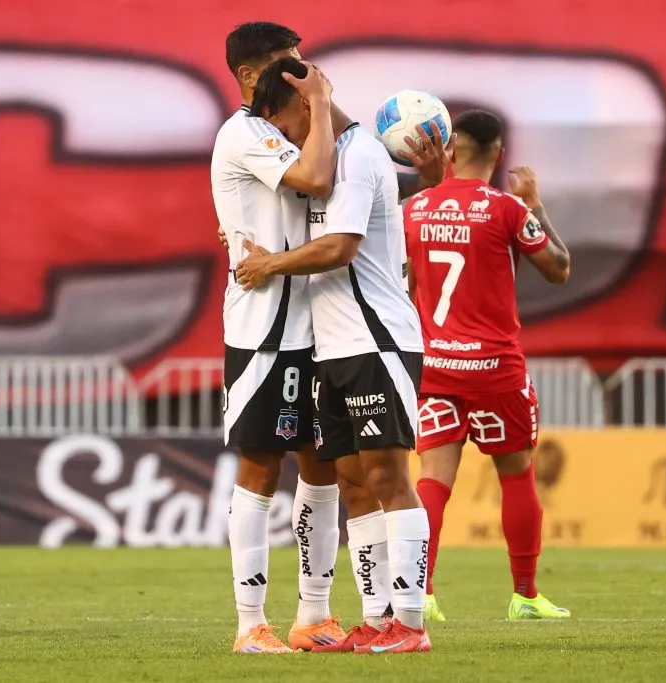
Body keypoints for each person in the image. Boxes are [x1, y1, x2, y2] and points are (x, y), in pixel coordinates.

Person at [213, 23, 446, 655]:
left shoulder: (330, 136)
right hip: (266, 326)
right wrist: (318, 107)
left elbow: (354, 191)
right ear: (251, 76)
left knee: (330, 472)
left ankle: (319, 613)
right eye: (285, 63)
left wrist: (412, 184)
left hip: (321, 326)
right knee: (263, 467)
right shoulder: (250, 129)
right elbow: (320, 183)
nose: (300, 68)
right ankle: (249, 622)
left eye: (302, 60)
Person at [402, 109, 572, 621]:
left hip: (435, 365)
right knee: (517, 476)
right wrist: (536, 206)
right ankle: (524, 595)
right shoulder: (507, 210)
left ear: (451, 151)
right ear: (498, 154)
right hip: (495, 368)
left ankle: (422, 595)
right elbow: (559, 268)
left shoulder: (413, 209)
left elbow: (403, 284)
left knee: (433, 480)